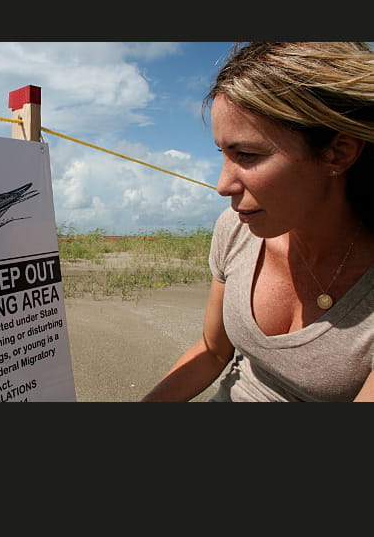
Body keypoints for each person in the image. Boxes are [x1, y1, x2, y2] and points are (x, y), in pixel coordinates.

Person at [142, 42, 374, 402]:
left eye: (247, 155)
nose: (223, 186)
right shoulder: (235, 230)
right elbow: (213, 350)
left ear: (338, 152)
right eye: (224, 153)